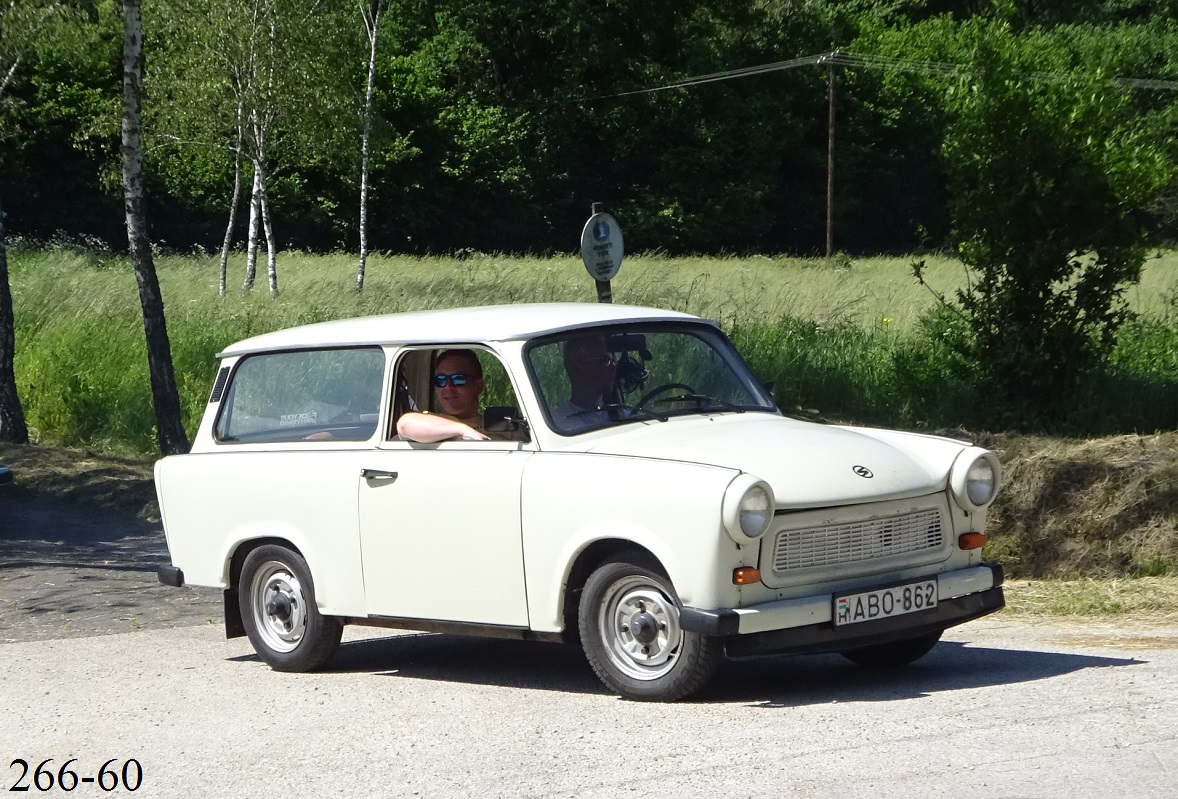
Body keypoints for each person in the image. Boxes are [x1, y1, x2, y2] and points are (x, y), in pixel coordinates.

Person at [396, 349, 515, 442]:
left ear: (478, 386)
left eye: (458, 379)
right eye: (441, 380)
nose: (448, 387)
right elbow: (404, 425)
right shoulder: (431, 421)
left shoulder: (505, 426)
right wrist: (462, 430)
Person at [551, 334, 621, 431]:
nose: (613, 367)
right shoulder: (558, 426)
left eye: (612, 360)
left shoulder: (620, 414)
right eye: (605, 360)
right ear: (578, 369)